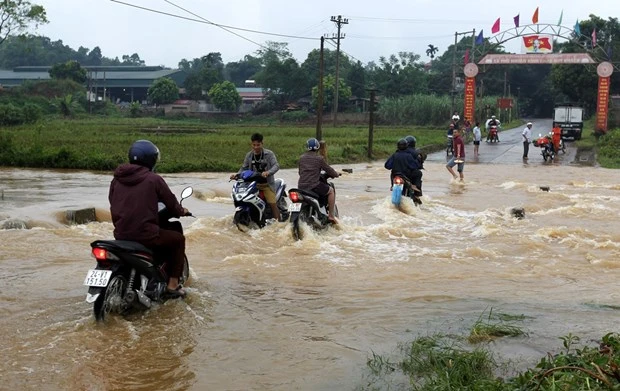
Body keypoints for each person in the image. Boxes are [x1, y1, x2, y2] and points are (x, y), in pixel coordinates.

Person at [109, 140, 190, 298]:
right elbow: (172, 204)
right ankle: (172, 285)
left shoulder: (116, 179)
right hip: (146, 235)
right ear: (151, 160)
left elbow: (113, 202)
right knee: (178, 239)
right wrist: (182, 211)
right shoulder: (154, 179)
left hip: (120, 235)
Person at [230, 133, 281, 222]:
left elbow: (276, 165)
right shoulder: (249, 155)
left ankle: (279, 223)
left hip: (266, 184)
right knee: (243, 199)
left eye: (258, 145)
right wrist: (236, 175)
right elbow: (244, 168)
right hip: (253, 184)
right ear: (251, 144)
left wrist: (268, 172)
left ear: (262, 143)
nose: (256, 147)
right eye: (254, 145)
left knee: (272, 203)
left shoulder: (269, 154)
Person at [298, 138, 340, 224]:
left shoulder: (301, 158)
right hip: (314, 186)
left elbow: (300, 172)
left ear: (307, 147)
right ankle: (331, 216)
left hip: (301, 187)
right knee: (331, 191)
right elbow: (329, 170)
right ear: (317, 148)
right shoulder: (319, 159)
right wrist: (336, 174)